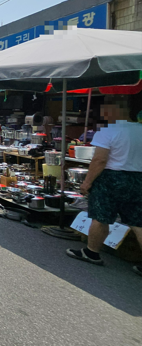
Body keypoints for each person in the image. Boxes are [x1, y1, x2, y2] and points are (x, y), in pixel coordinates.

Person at [66, 99, 142, 277]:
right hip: (138, 179)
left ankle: (92, 252)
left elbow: (100, 160)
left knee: (101, 217)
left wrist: (87, 182)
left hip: (111, 177)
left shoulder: (108, 131)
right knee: (138, 222)